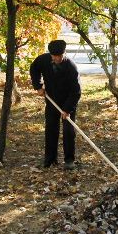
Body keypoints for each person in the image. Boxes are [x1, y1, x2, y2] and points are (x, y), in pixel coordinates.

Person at [30, 40, 81, 170]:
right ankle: (50, 159)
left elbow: (76, 91)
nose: (57, 58)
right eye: (54, 56)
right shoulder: (43, 60)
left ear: (64, 53)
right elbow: (34, 69)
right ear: (50, 54)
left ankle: (69, 160)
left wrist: (68, 109)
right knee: (51, 128)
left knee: (68, 131)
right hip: (52, 99)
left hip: (68, 101)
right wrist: (38, 86)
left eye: (60, 55)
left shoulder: (71, 67)